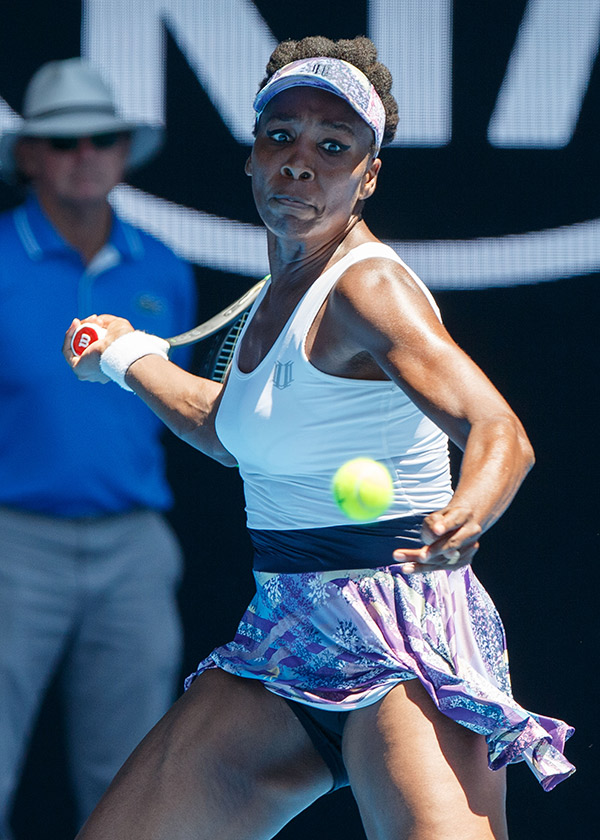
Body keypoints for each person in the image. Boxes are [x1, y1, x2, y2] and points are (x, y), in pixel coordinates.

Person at [63, 37, 574, 840]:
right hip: (283, 636)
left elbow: (496, 427)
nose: (300, 162)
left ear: (367, 177)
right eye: (282, 136)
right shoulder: (280, 288)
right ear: (253, 157)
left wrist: (466, 515)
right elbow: (232, 433)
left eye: (333, 147)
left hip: (402, 636)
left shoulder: (366, 288)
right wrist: (125, 355)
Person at [0, 58, 197, 837]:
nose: (85, 153)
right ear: (30, 157)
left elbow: (184, 405)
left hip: (134, 549)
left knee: (131, 777)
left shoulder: (164, 268)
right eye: (63, 140)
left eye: (101, 137)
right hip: (12, 541)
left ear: (123, 151)